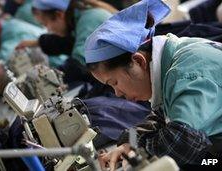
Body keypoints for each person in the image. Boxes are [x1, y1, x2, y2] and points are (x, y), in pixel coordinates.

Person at [84, 0, 222, 170]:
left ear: (138, 61)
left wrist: (138, 147)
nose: (117, 93)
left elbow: (182, 142)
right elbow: (162, 117)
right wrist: (129, 143)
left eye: (114, 83)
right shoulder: (171, 61)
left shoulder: (185, 73)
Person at [16, 0, 113, 87]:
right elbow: (67, 43)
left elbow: (79, 63)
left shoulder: (88, 20)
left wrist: (46, 79)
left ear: (59, 15)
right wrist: (37, 43)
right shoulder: (80, 18)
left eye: (45, 24)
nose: (48, 30)